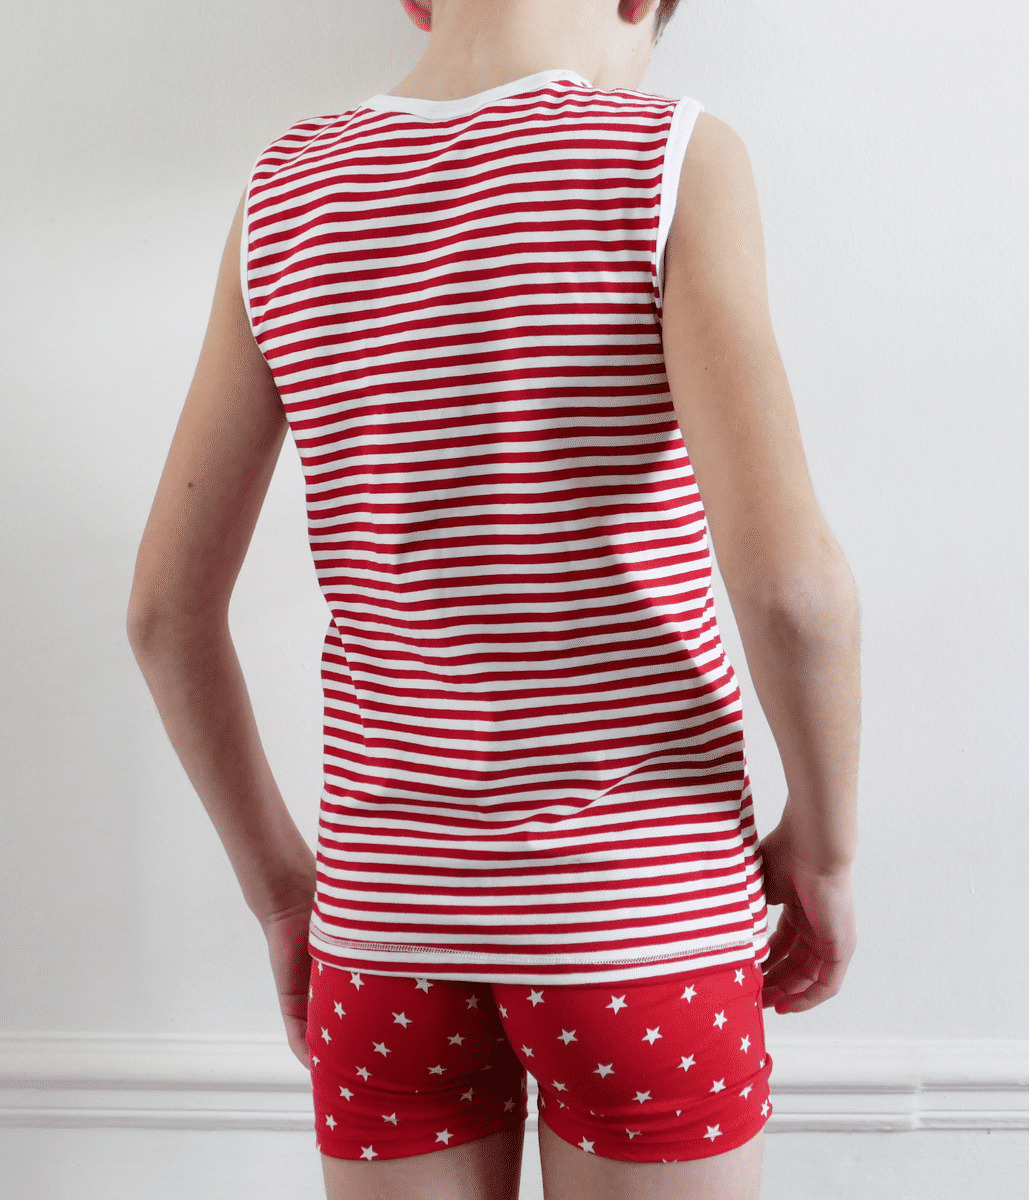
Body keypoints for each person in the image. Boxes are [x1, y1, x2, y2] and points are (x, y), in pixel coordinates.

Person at [126, 0, 861, 1196]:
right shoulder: (671, 156)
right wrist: (822, 847)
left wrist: (283, 896)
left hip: (381, 936)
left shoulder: (283, 192)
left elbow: (164, 614)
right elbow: (792, 592)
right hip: (638, 926)